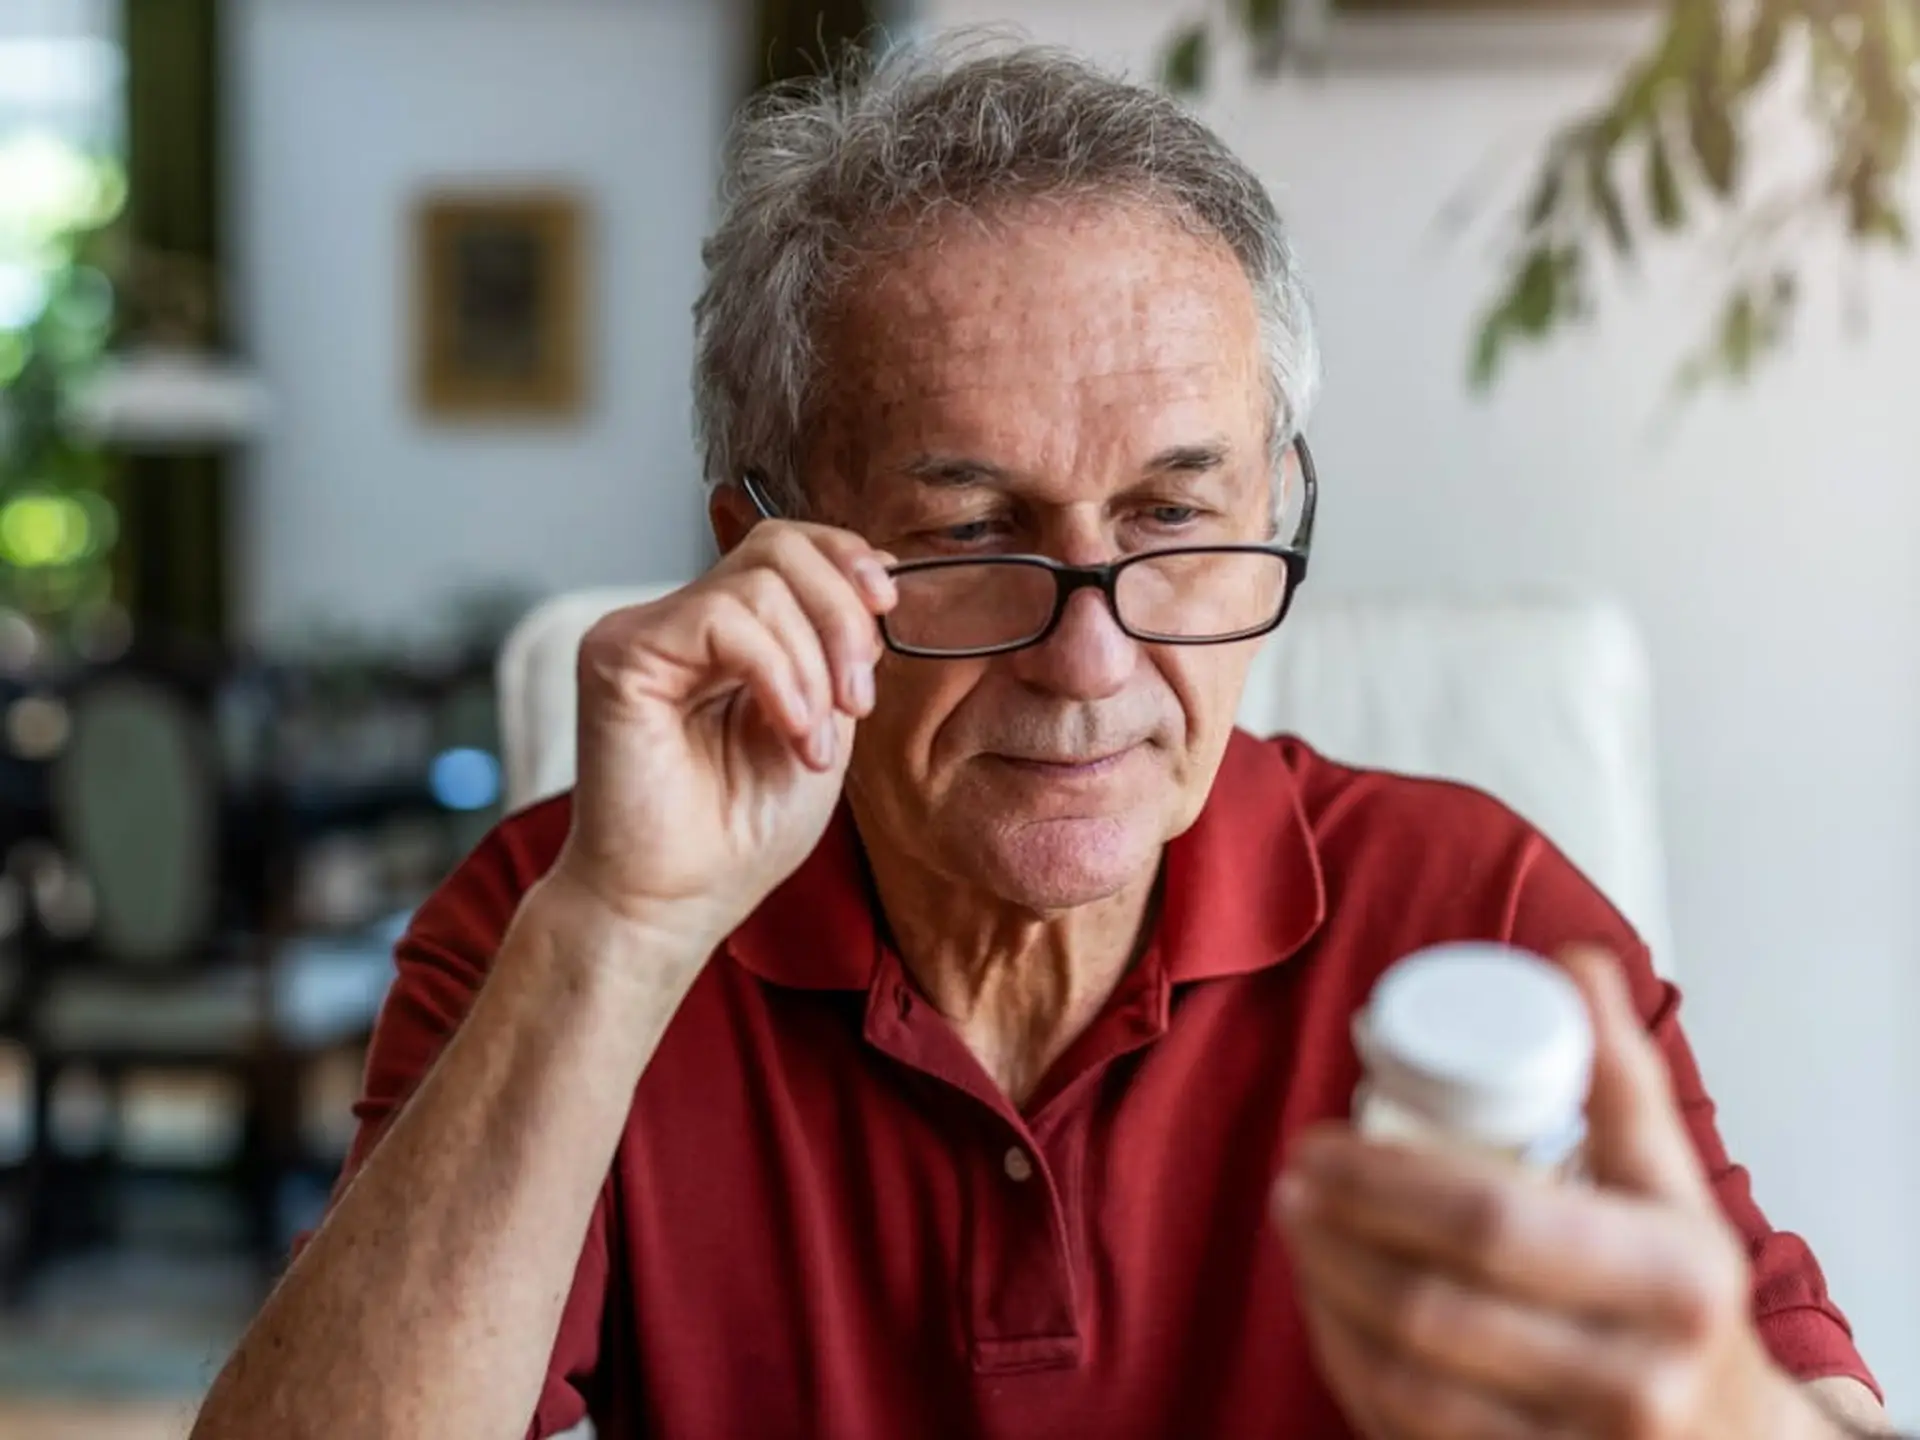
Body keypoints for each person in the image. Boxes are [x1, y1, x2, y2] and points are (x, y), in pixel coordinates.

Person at [193, 36, 1892, 1440]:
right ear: (759, 553)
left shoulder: (1476, 911)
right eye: (965, 537)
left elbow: (1805, 1400)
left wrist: (1724, 1406)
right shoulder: (551, 927)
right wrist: (616, 940)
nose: (1093, 659)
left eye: (1175, 518)